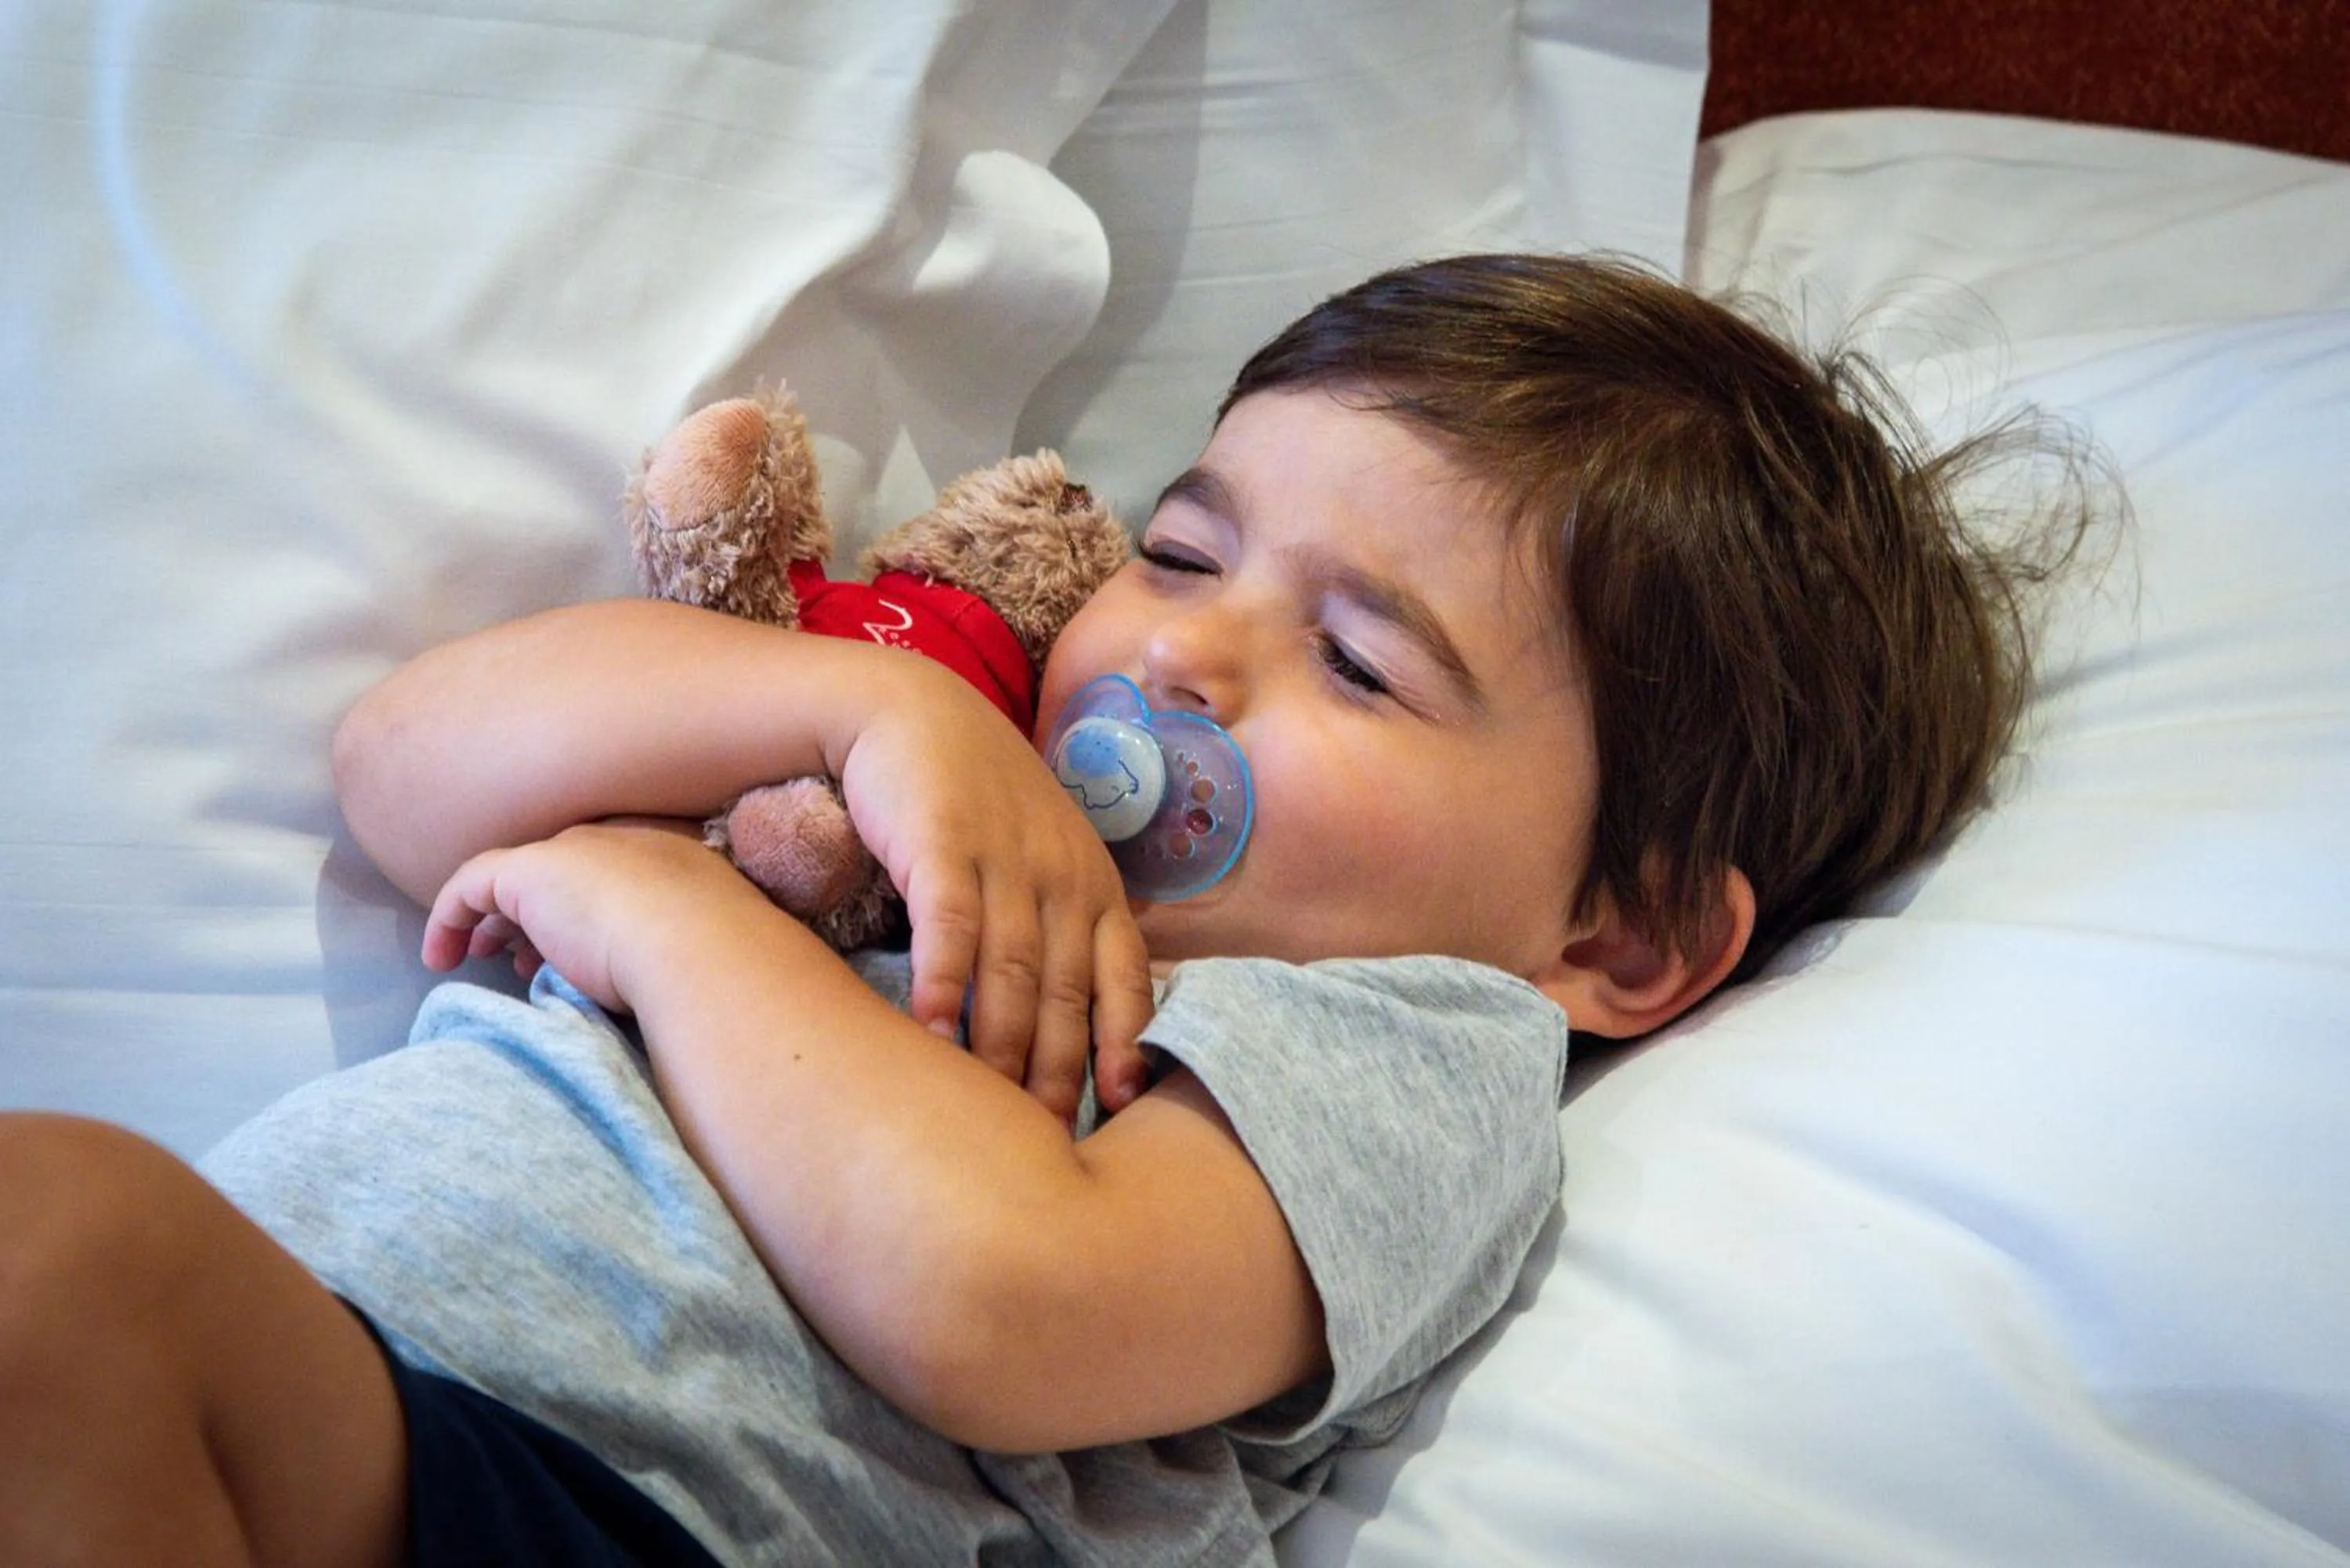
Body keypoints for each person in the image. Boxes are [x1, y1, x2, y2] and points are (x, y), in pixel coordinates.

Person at [0, 253, 2099, 1567]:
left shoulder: (1405, 1039)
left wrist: (657, 908)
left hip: (634, 1508)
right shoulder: (916, 782)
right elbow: (404, 763)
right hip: (309, 1416)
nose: (1185, 660)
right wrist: (866, 698)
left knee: (56, 1254)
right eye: (1185, 552)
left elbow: (1004, 1302)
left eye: (1362, 666)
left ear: (1614, 945)